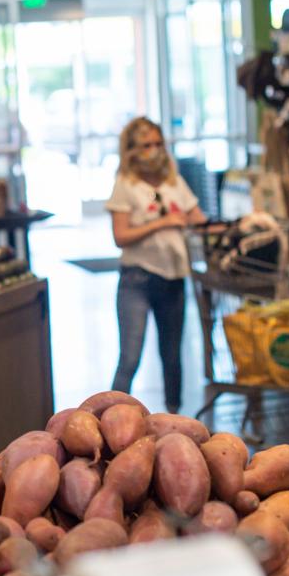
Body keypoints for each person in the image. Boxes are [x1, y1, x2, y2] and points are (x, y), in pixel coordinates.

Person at [105, 117, 207, 413]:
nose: (154, 150)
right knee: (130, 358)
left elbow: (199, 220)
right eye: (146, 145)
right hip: (136, 280)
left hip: (173, 279)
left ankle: (174, 419)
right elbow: (120, 236)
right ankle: (107, 418)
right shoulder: (125, 184)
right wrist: (162, 223)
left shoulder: (174, 181)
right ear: (132, 149)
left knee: (173, 356)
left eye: (158, 144)